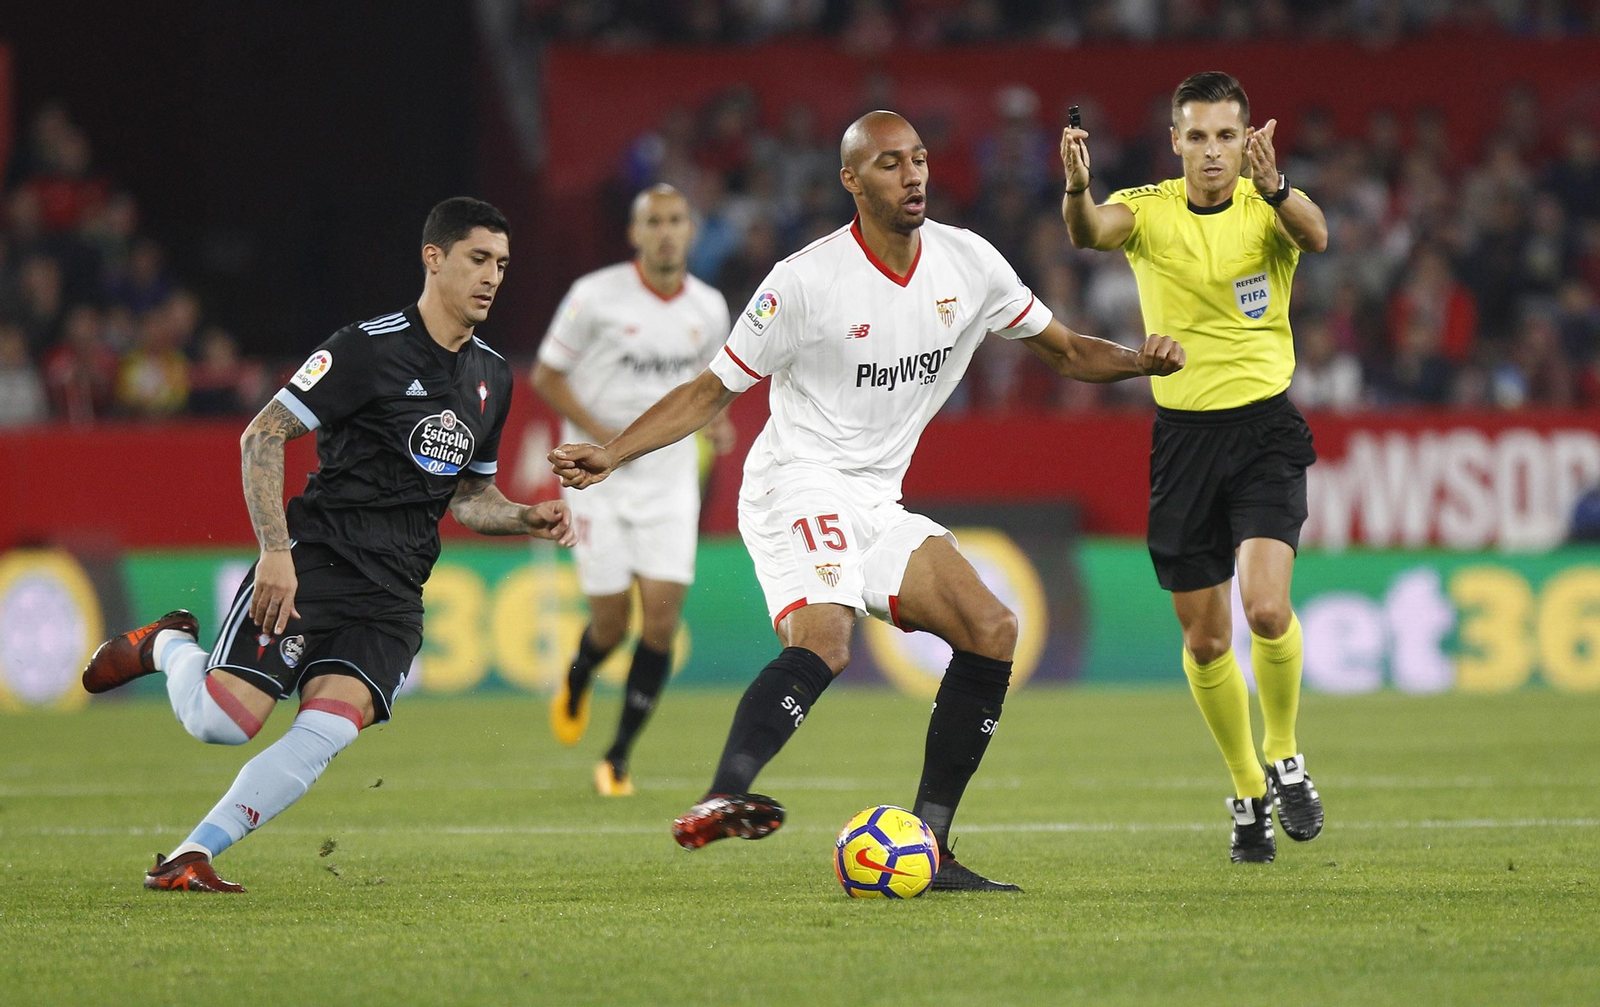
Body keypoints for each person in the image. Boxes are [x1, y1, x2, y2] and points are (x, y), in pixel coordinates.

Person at [552, 111, 1183, 891]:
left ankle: (937, 846)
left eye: (919, 159)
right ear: (851, 180)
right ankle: (725, 791)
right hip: (796, 479)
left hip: (877, 497)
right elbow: (711, 389)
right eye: (889, 164)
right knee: (827, 640)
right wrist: (612, 452)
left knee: (992, 629)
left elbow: (1068, 350)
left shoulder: (970, 264)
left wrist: (1143, 364)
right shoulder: (805, 282)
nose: (912, 175)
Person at [81, 197, 575, 892]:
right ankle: (164, 643)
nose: (493, 275)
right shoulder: (366, 346)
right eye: (478, 258)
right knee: (222, 722)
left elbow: (468, 496)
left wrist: (525, 517)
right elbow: (263, 433)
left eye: (501, 263)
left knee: (325, 734)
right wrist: (275, 550)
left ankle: (190, 855)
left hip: (394, 595)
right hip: (315, 560)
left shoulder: (492, 377)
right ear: (433, 258)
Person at [1061, 71, 1329, 863]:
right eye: (1197, 136)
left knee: (1267, 609)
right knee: (1208, 642)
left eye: (1225, 136)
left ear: (1246, 142)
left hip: (1266, 434)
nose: (1212, 152)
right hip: (1183, 441)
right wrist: (1077, 189)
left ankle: (1283, 755)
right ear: (1175, 141)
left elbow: (1317, 235)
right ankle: (1247, 788)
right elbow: (1086, 233)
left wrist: (1278, 185)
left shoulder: (1269, 207)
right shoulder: (1146, 210)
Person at [533, 184, 735, 796]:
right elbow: (547, 375)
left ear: (691, 231)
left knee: (662, 621)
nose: (667, 231)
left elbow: (707, 388)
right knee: (612, 623)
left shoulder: (710, 307)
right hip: (595, 476)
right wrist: (607, 443)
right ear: (635, 233)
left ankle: (617, 756)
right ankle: (578, 678)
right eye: (655, 221)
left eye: (677, 220)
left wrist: (717, 421)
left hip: (670, 475)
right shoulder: (594, 297)